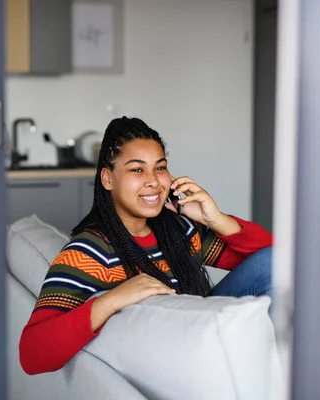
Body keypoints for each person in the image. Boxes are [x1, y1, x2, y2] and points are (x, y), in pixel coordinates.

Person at [19, 117, 273, 375]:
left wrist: (215, 219)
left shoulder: (178, 229)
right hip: (179, 359)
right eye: (137, 170)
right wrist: (112, 299)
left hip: (204, 331)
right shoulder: (90, 252)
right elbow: (31, 354)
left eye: (159, 168)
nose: (153, 181)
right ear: (108, 179)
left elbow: (274, 262)